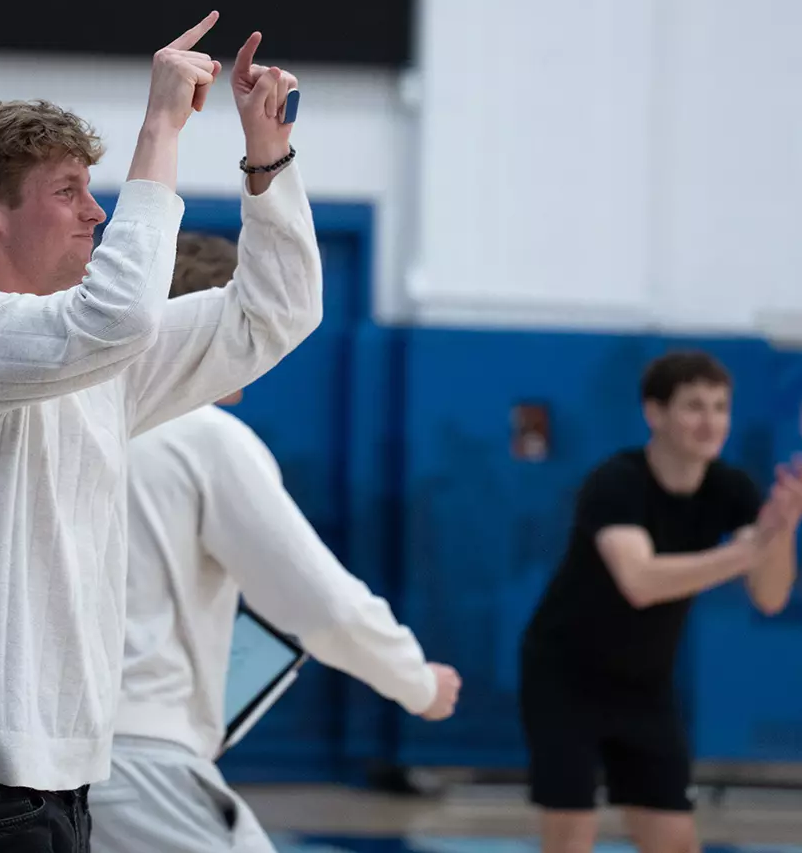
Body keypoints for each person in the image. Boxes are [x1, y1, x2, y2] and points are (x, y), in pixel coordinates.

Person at [0, 12, 323, 852]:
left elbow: (274, 314)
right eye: (67, 191)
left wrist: (266, 158)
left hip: (68, 783)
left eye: (93, 190)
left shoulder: (94, 363)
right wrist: (160, 129)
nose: (96, 215)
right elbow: (114, 316)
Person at [87, 231, 461, 853]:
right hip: (136, 760)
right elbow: (322, 606)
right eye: (249, 314)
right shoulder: (205, 437)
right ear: (208, 318)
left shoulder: (67, 416)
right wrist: (417, 681)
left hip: (40, 760)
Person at [519, 349, 802, 853]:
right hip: (565, 678)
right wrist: (745, 552)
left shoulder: (730, 488)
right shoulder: (616, 482)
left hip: (645, 687)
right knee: (570, 839)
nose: (710, 421)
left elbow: (771, 596)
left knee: (674, 841)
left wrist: (780, 534)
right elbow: (641, 581)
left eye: (720, 407)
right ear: (655, 413)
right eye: (694, 406)